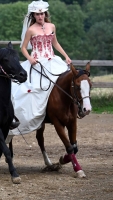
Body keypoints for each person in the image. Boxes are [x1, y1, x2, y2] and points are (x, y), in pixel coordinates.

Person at [9, 0, 71, 136]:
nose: (40, 16)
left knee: (66, 82)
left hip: (52, 60)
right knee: (33, 90)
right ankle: (37, 116)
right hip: (37, 62)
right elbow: (23, 47)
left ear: (45, 14)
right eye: (37, 14)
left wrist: (66, 56)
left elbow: (55, 43)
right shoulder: (31, 30)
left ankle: (71, 110)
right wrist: (30, 59)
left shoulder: (52, 26)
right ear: (34, 15)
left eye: (42, 13)